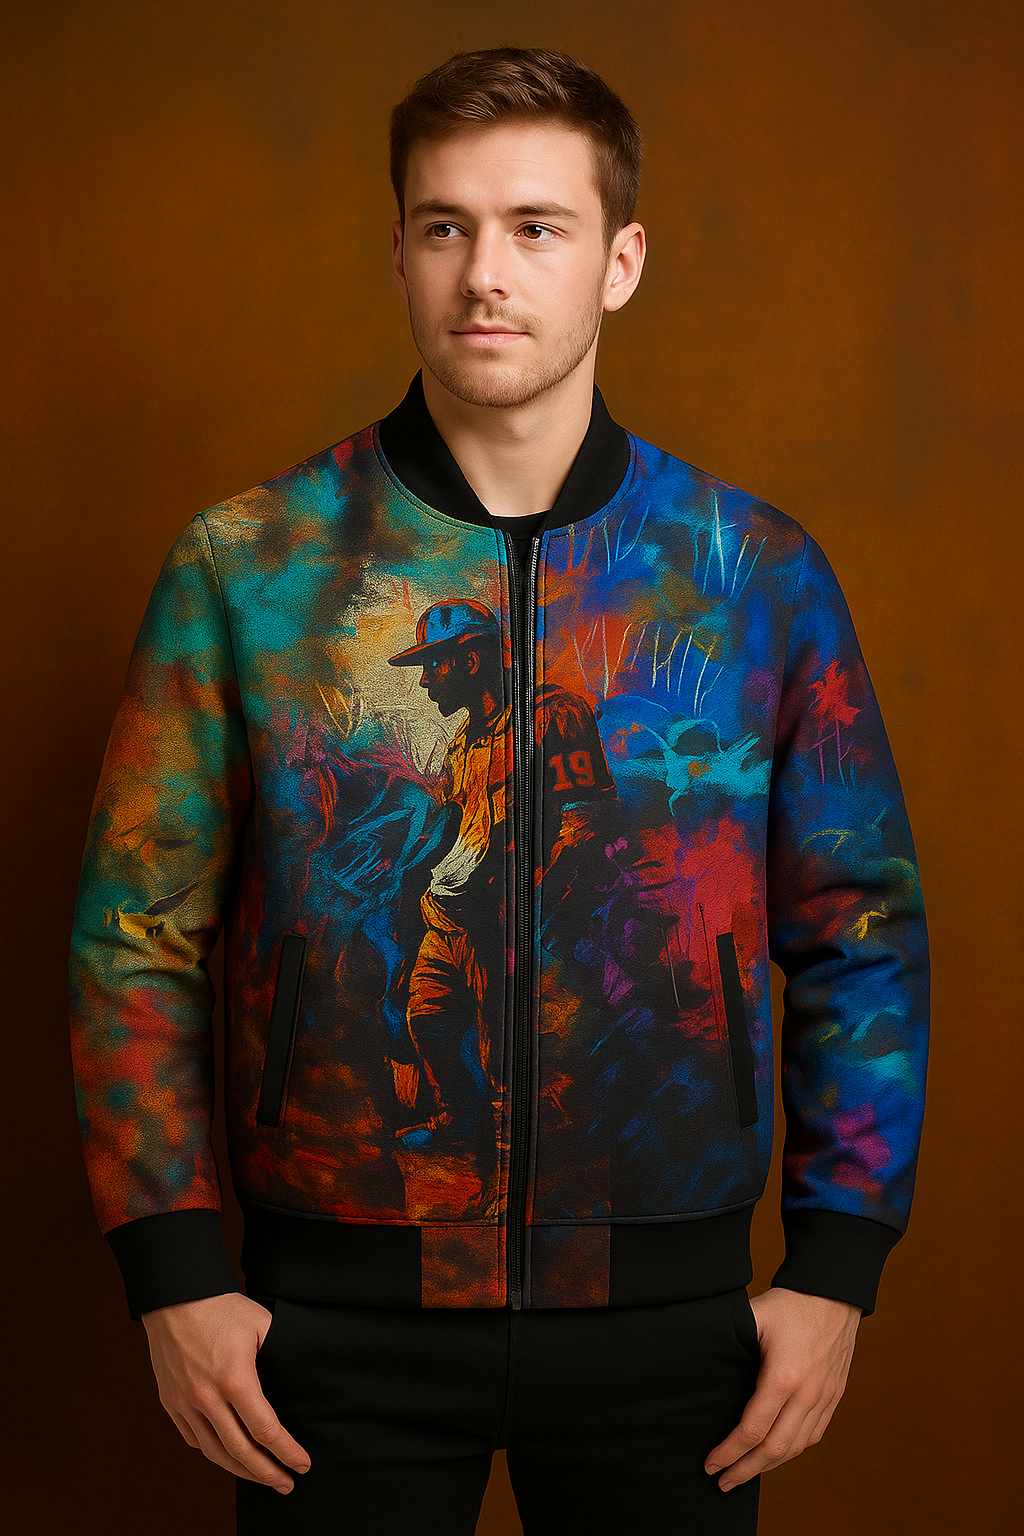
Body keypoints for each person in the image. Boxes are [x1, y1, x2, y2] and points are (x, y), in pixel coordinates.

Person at [68, 45, 929, 1536]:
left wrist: (837, 1267)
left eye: (537, 227)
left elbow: (861, 927)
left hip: (673, 1325)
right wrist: (177, 1275)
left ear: (619, 262)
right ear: (398, 254)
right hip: (326, 1326)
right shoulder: (248, 567)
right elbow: (133, 936)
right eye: (445, 226)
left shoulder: (752, 572)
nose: (486, 273)